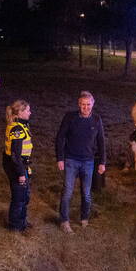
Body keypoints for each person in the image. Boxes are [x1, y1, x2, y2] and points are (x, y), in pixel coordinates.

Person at [55, 91, 106, 232]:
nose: (86, 107)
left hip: (88, 162)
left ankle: (84, 218)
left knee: (86, 193)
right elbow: (60, 137)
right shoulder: (70, 117)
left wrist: (102, 162)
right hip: (71, 160)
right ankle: (64, 221)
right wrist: (60, 158)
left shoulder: (96, 119)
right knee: (67, 192)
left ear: (93, 104)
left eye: (88, 104)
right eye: (83, 105)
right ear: (79, 104)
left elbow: (101, 141)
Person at [3, 100, 33, 231]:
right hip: (16, 166)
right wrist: (21, 173)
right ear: (20, 112)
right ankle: (15, 226)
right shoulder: (17, 129)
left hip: (20, 165)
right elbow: (15, 155)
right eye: (27, 110)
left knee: (24, 196)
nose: (30, 112)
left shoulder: (21, 126)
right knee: (19, 197)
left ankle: (22, 222)